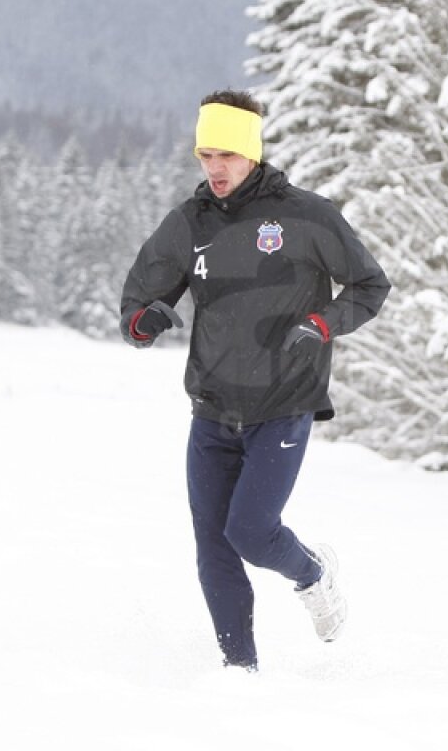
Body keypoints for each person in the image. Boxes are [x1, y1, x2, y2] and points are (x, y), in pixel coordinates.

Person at [119, 89, 391, 671]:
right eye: (205, 155)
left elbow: (370, 285)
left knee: (249, 531)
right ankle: (239, 671)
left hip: (284, 403)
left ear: (252, 153)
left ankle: (313, 575)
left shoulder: (308, 216)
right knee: (213, 547)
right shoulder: (188, 223)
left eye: (227, 155)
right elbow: (138, 299)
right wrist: (144, 321)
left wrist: (323, 323)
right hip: (212, 409)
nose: (215, 168)